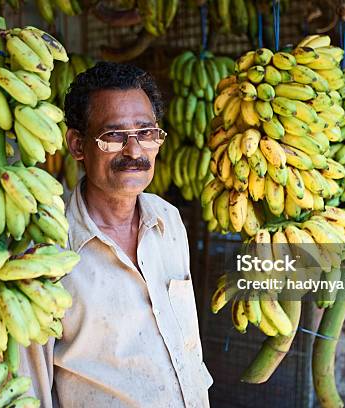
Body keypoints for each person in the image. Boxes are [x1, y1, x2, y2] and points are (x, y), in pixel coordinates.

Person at [20, 62, 213, 407]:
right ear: (78, 145)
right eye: (113, 136)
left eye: (146, 133)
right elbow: (29, 387)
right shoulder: (44, 251)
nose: (135, 152)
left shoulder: (169, 221)